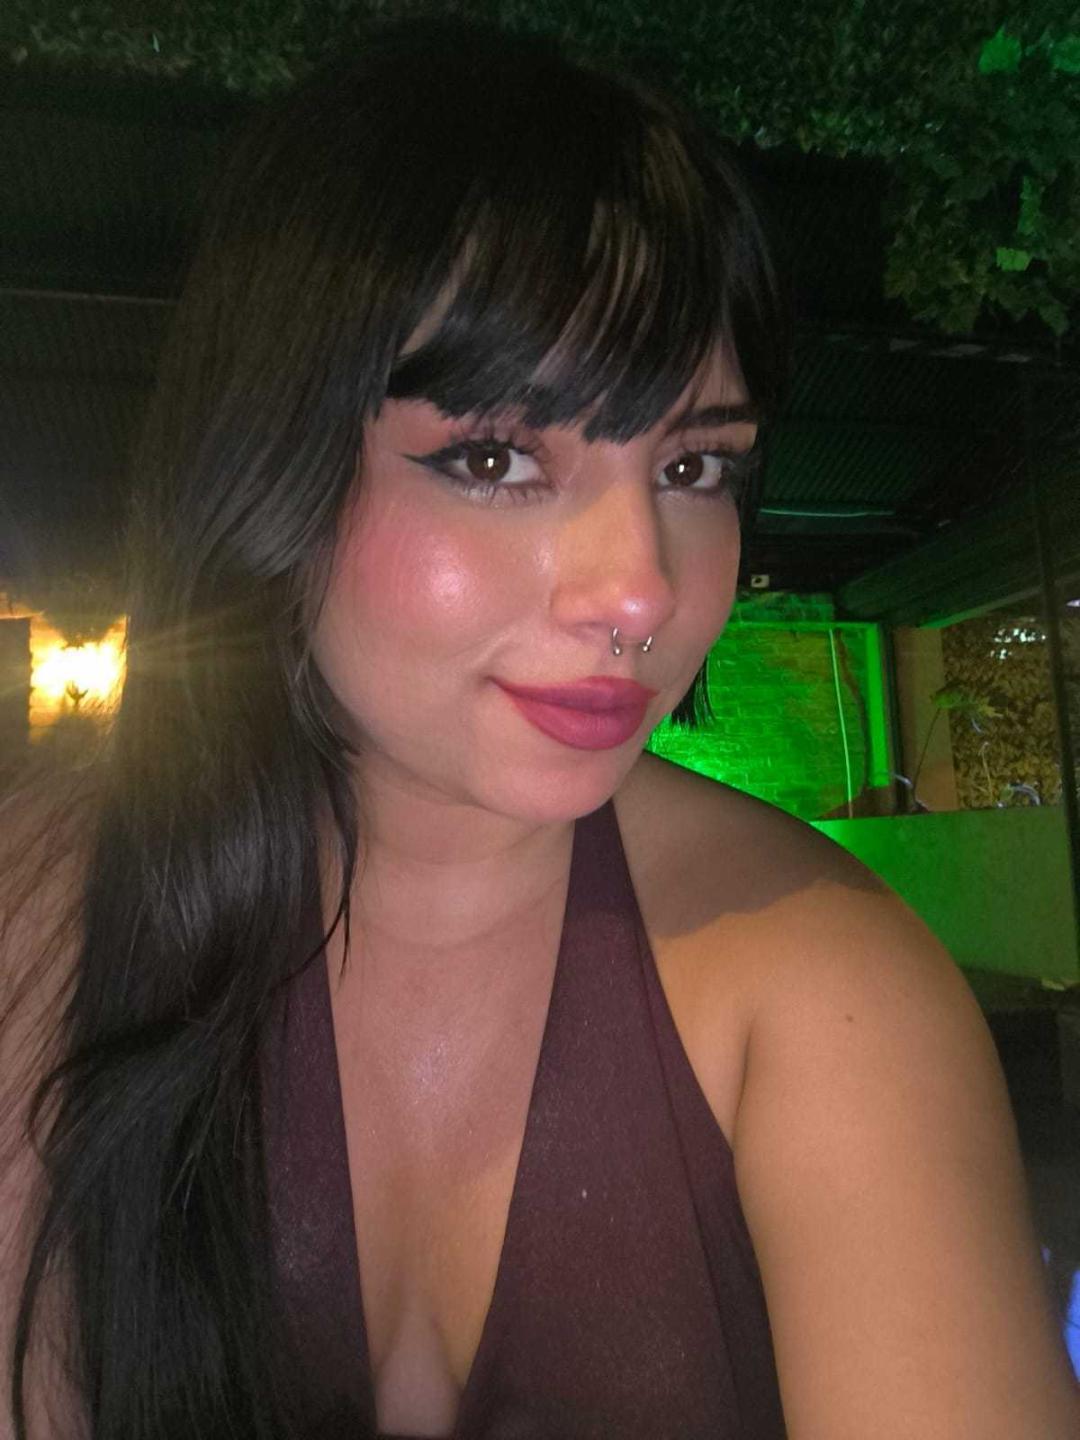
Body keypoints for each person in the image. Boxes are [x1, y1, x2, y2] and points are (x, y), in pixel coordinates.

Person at [1, 19, 1077, 1440]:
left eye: (695, 467)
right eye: (496, 456)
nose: (641, 590)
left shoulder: (828, 991)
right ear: (272, 463)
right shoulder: (47, 909)